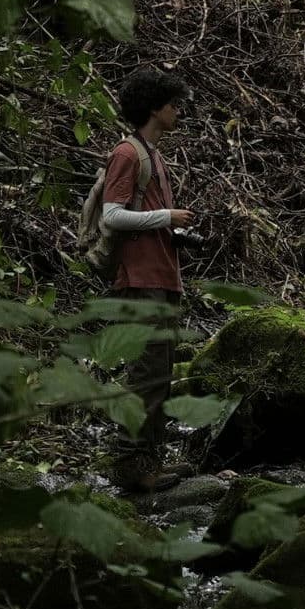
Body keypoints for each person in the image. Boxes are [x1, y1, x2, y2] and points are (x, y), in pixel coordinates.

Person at [100, 67, 193, 493]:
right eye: (174, 104)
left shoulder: (153, 154)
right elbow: (112, 216)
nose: (179, 111)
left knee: (161, 373)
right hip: (139, 277)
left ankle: (149, 460)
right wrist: (166, 217)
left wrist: (176, 230)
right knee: (145, 374)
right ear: (154, 107)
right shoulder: (127, 153)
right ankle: (128, 464)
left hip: (162, 274)